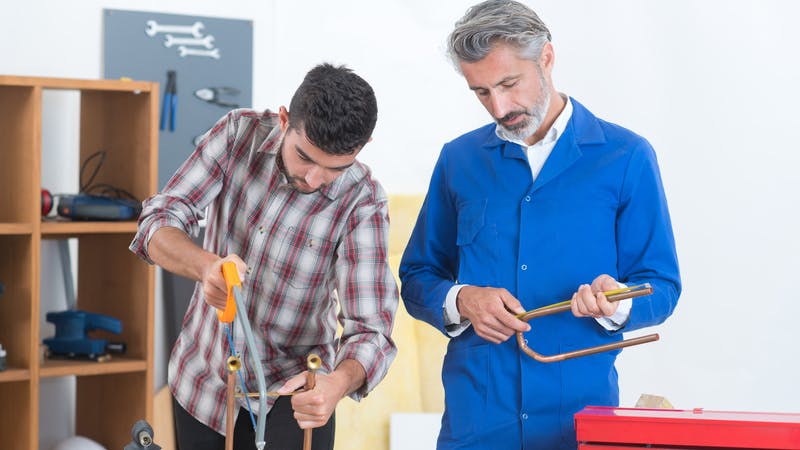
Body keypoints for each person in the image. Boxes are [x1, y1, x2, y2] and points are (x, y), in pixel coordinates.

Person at [399, 1, 681, 449]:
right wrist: (462, 299)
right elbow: (417, 278)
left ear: (546, 58)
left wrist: (617, 302)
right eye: (481, 92)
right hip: (476, 423)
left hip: (579, 424)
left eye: (509, 83)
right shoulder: (459, 160)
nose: (499, 106)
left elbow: (662, 286)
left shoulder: (626, 157)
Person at [130, 63, 398, 450]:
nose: (313, 179)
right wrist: (206, 266)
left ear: (363, 147)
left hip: (294, 400)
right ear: (284, 120)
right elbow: (158, 220)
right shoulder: (237, 134)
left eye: (334, 168)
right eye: (304, 157)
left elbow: (371, 330)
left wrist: (336, 384)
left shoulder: (364, 202)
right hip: (203, 384)